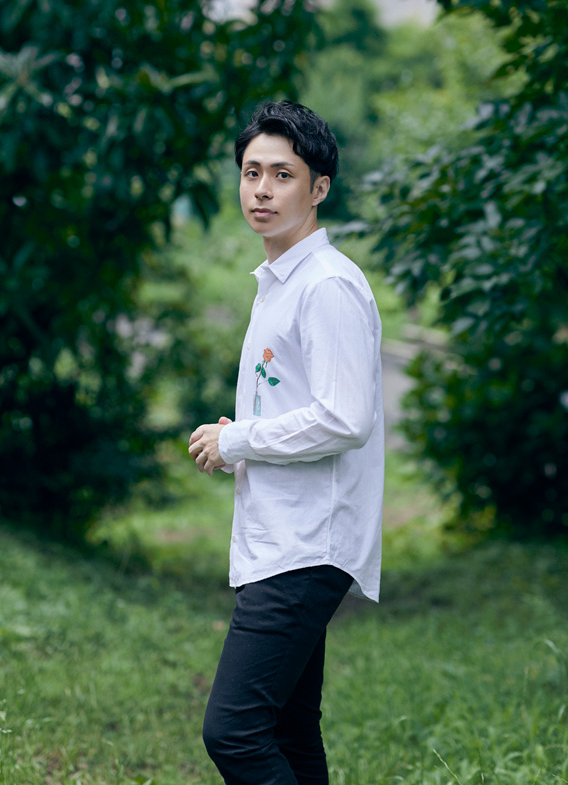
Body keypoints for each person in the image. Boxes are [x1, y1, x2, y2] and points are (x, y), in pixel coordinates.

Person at [188, 100, 384, 785]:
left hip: (307, 543)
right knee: (289, 732)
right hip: (285, 537)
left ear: (318, 187)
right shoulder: (282, 283)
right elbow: (301, 404)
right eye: (251, 172)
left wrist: (239, 440)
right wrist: (237, 434)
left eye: (282, 174)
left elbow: (344, 418)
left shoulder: (326, 286)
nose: (262, 190)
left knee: (235, 732)